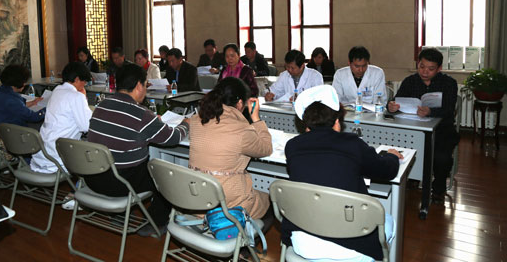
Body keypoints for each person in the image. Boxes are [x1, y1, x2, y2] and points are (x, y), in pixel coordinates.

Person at [282, 85, 402, 261]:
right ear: (337, 121)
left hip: (303, 242)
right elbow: (387, 171)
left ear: (305, 124)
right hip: (353, 244)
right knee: (389, 220)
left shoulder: (292, 146)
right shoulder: (352, 144)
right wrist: (391, 156)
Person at [87, 64, 189, 235]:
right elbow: (173, 137)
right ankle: (155, 222)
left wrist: (152, 122)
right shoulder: (141, 114)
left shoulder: (102, 105)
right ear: (139, 85)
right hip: (120, 182)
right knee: (164, 175)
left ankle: (120, 215)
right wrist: (186, 124)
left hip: (93, 177)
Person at [189, 77, 272, 221]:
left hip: (197, 197)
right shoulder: (241, 129)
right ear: (239, 103)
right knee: (270, 200)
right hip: (228, 204)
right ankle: (244, 232)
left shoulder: (196, 120)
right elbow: (266, 148)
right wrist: (256, 119)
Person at [387, 48, 458, 204]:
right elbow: (395, 100)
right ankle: (413, 178)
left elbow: (449, 109)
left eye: (431, 69)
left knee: (441, 157)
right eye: (422, 66)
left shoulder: (449, 83)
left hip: (441, 130)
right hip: (413, 129)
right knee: (403, 149)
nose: (425, 72)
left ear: (439, 68)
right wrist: (391, 106)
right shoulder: (410, 81)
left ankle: (438, 189)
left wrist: (431, 111)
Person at [30, 62, 92, 174]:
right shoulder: (77, 96)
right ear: (77, 79)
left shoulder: (57, 90)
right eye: (85, 82)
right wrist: (83, 97)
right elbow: (86, 126)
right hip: (58, 158)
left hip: (42, 153)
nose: (84, 85)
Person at [0, 64, 45, 140]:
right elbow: (34, 117)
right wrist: (49, 108)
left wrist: (33, 102)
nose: (25, 84)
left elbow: (16, 106)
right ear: (20, 82)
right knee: (40, 126)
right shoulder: (11, 99)